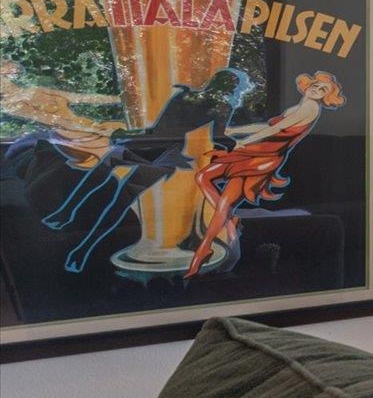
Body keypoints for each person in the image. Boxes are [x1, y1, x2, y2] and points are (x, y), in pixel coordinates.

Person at [42, 68, 256, 274]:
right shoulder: (221, 105)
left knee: (111, 174)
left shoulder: (186, 94)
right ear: (231, 88)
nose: (237, 95)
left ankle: (67, 218)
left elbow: (161, 129)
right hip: (170, 160)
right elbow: (220, 139)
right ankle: (80, 247)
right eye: (238, 90)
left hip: (148, 148)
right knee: (120, 185)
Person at [184, 71, 345, 277]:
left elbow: (276, 129)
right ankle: (230, 221)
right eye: (316, 85)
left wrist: (246, 141)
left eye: (323, 90)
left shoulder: (311, 108)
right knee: (203, 178)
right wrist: (237, 131)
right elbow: (268, 126)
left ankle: (204, 248)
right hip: (256, 150)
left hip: (264, 157)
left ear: (325, 97)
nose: (317, 89)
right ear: (307, 85)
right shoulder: (296, 107)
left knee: (223, 202)